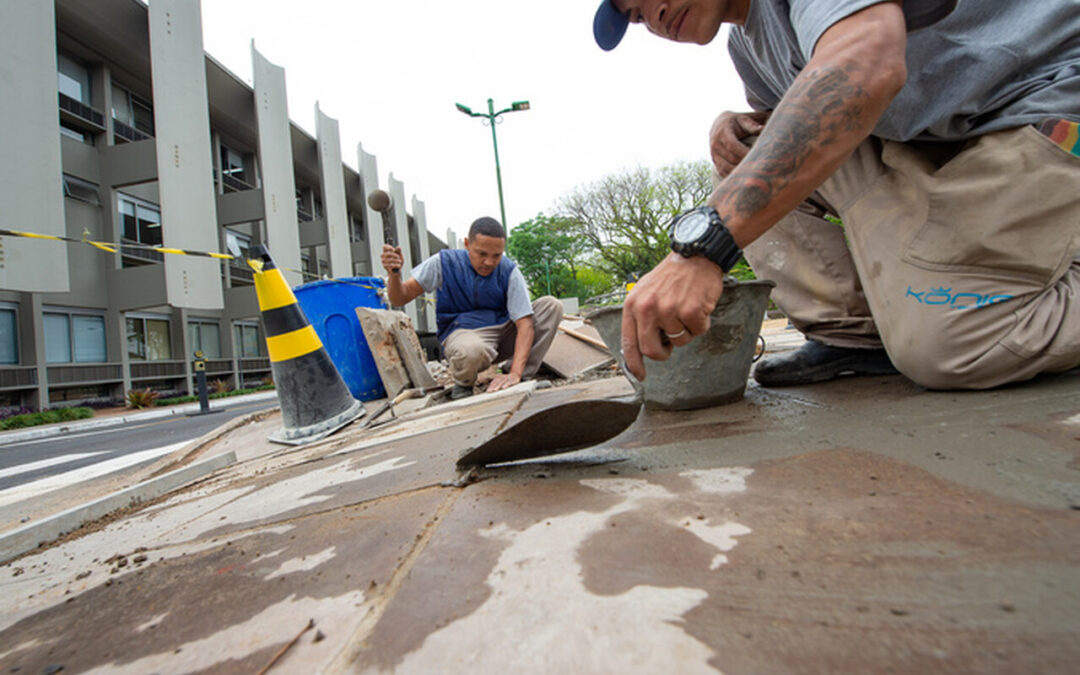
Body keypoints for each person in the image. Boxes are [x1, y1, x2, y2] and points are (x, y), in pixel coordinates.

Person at [593, 0, 1080, 390]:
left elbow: (865, 64)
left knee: (949, 348)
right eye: (634, 16)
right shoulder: (748, 48)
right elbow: (801, 132)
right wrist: (733, 126)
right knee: (748, 155)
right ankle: (853, 338)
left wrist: (705, 248)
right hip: (948, 146)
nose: (649, 14)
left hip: (1045, 116)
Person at [381, 216, 562, 399]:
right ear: (467, 244)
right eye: (482, 254)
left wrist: (516, 372)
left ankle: (517, 378)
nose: (489, 262)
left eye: (496, 255)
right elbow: (400, 298)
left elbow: (525, 324)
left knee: (551, 306)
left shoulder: (509, 271)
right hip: (464, 333)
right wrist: (394, 275)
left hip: (502, 332)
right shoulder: (444, 263)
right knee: (470, 350)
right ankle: (464, 384)